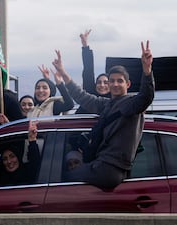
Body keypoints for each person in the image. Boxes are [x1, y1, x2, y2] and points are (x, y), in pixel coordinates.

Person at [51, 41, 154, 189]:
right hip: (101, 165)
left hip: (109, 169)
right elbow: (82, 96)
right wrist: (63, 72)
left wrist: (147, 70)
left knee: (61, 180)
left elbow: (146, 96)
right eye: (112, 81)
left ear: (128, 84)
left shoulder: (132, 104)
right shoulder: (107, 104)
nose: (115, 84)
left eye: (120, 81)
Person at [0, 120, 41, 186]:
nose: (9, 161)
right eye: (5, 159)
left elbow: (35, 160)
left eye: (12, 156)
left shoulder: (28, 172)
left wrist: (32, 140)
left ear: (18, 157)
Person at [76, 29, 110, 114]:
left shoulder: (116, 102)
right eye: (99, 82)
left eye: (106, 82)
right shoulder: (90, 97)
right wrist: (85, 47)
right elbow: (88, 71)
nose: (102, 85)